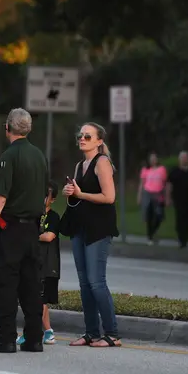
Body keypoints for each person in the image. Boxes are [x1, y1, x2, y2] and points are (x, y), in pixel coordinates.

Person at [0, 108, 48, 354]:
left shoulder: (9, 156)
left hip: (10, 230)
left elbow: (0, 198)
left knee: (6, 283)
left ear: (6, 128)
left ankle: (6, 337)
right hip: (32, 229)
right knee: (31, 285)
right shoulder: (39, 155)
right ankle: (34, 338)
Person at [64, 122, 121, 348]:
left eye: (88, 136)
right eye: (80, 135)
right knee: (84, 283)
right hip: (80, 228)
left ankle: (112, 333)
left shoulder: (102, 163)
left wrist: (81, 193)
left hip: (98, 229)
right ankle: (91, 332)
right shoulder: (80, 165)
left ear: (99, 141)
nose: (82, 139)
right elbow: (79, 197)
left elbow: (109, 197)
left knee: (97, 282)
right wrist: (71, 193)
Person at [16, 180, 61, 346]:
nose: (42, 198)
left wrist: (30, 235)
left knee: (38, 300)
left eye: (46, 195)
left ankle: (35, 332)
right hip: (33, 262)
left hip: (48, 265)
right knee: (35, 299)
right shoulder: (33, 215)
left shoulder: (54, 217)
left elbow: (49, 236)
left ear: (53, 199)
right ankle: (46, 331)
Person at [137, 152, 168, 245]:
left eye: (154, 158)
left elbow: (165, 183)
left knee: (159, 215)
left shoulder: (162, 169)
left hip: (158, 194)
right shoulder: (145, 170)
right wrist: (139, 195)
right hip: (148, 193)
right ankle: (150, 236)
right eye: (151, 159)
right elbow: (142, 183)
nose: (153, 160)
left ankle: (154, 232)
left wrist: (166, 196)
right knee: (149, 215)